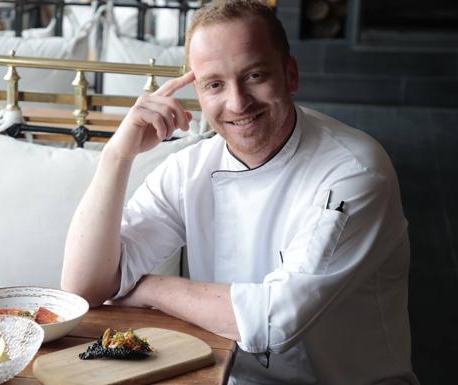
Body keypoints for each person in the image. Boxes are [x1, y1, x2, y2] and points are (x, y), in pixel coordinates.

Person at [61, 0, 419, 383]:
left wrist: (150, 288)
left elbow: (272, 322)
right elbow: (83, 287)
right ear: (197, 92)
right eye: (215, 84)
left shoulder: (354, 171)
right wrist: (117, 155)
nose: (237, 103)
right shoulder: (191, 167)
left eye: (254, 76)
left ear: (290, 75)